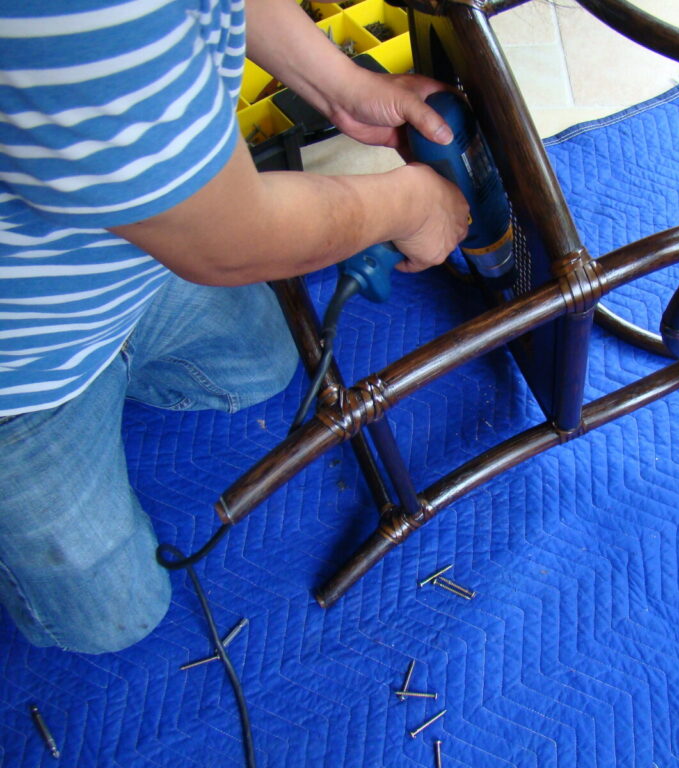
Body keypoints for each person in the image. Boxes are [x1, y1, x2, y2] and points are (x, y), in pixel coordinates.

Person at [0, 0, 469, 654]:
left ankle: (118, 353)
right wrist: (407, 205)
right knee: (115, 619)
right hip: (20, 368)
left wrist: (341, 84)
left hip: (125, 261)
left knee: (263, 362)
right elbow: (229, 240)